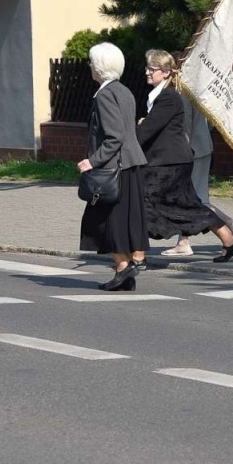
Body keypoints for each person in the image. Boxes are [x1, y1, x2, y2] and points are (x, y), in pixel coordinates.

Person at [138, 49, 233, 263]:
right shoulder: (161, 95)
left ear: (166, 72)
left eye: (152, 69)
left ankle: (137, 256)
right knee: (189, 205)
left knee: (143, 200)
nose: (147, 72)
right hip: (170, 161)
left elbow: (150, 129)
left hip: (170, 162)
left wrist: (131, 134)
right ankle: (230, 241)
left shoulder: (169, 96)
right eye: (147, 68)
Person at [78, 43, 151, 290]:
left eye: (91, 62)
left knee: (104, 220)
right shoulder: (124, 91)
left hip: (113, 168)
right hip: (130, 166)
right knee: (123, 220)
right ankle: (125, 275)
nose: (90, 66)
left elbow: (114, 136)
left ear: (99, 66)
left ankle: (123, 266)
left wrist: (92, 161)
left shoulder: (105, 95)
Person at [166, 50, 233, 256]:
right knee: (193, 197)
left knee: (192, 199)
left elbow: (185, 124)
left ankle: (189, 241)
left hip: (192, 150)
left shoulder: (182, 89)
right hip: (201, 147)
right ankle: (227, 226)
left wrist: (181, 151)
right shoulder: (194, 86)